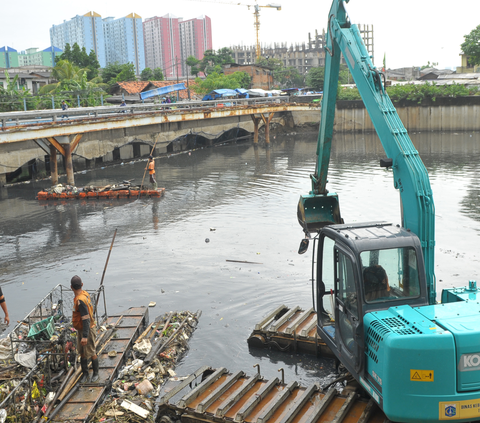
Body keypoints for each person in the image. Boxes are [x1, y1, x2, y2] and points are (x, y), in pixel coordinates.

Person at [71, 275, 99, 383]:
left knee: (91, 351)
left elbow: (86, 319)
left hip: (87, 329)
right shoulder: (84, 294)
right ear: (81, 285)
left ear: (71, 287)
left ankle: (96, 373)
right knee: (82, 352)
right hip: (81, 329)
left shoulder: (80, 301)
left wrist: (85, 336)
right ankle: (85, 374)